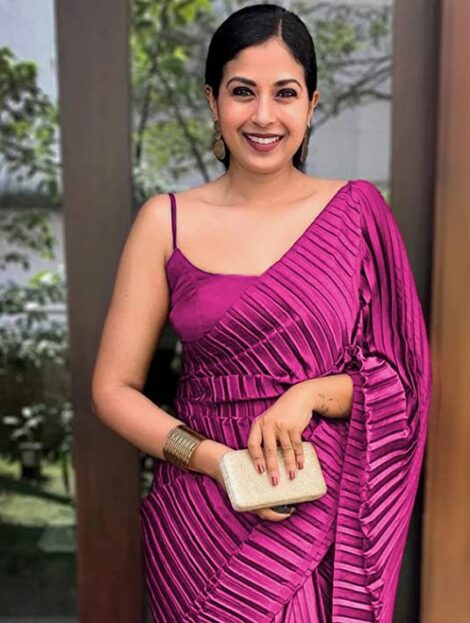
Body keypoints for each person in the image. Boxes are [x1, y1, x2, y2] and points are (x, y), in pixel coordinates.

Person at [91, 4, 432, 622]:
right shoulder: (166, 221)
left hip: (318, 509)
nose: (264, 116)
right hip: (200, 518)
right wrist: (219, 463)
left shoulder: (357, 215)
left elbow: (402, 379)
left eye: (286, 93)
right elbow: (113, 389)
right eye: (243, 91)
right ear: (213, 99)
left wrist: (307, 395)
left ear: (312, 104)